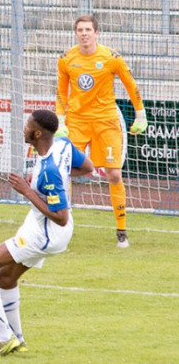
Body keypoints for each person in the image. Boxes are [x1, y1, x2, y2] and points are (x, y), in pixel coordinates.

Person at [0, 110, 94, 356]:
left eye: (28, 124)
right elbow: (88, 167)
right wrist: (42, 183)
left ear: (37, 133)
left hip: (46, 233)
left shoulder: (49, 169)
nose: (24, 127)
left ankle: (4, 338)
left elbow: (61, 218)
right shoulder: (62, 143)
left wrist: (28, 191)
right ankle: (17, 341)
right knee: (6, 278)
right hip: (39, 225)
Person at [56, 14, 147, 248]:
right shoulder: (66, 59)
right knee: (64, 170)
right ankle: (62, 227)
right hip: (77, 122)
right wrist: (60, 120)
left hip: (105, 121)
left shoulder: (111, 58)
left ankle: (121, 230)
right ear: (76, 33)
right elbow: (60, 92)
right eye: (80, 30)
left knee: (114, 174)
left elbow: (130, 83)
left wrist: (141, 114)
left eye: (88, 29)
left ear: (97, 33)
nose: (84, 33)